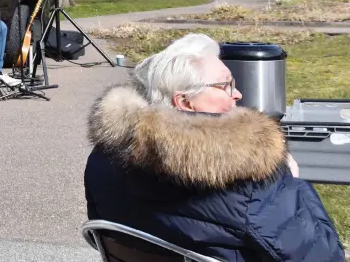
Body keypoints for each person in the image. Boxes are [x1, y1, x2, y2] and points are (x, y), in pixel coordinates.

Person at [84, 33, 345, 261]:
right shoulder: (250, 180)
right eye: (225, 85)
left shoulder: (102, 160)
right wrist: (295, 182)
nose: (238, 94)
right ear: (185, 102)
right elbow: (323, 255)